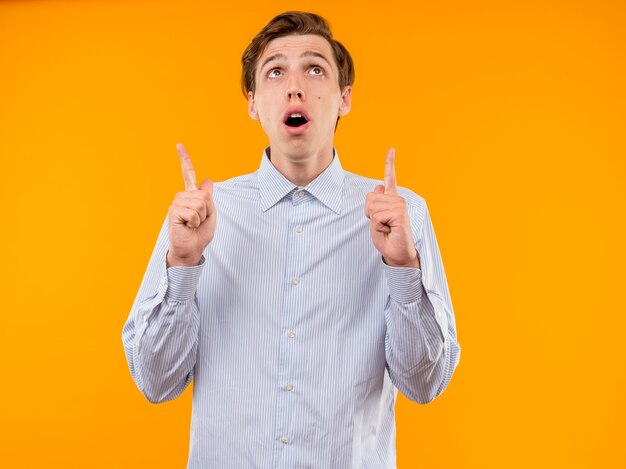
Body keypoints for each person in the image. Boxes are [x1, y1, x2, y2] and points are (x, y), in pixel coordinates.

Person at [122, 11, 460, 468]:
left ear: (343, 99)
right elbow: (155, 381)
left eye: (315, 68)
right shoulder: (199, 215)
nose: (295, 85)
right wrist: (182, 263)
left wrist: (403, 268)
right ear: (253, 102)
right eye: (275, 71)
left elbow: (426, 384)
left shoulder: (401, 214)